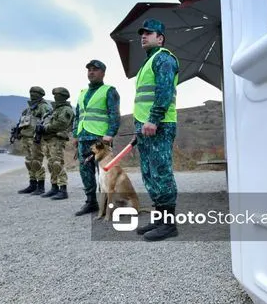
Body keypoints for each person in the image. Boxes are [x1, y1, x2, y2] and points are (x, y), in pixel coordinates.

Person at [133, 18, 180, 241]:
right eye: (142, 33)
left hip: (159, 125)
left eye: (149, 33)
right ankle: (160, 218)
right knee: (150, 174)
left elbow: (164, 91)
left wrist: (153, 119)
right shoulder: (148, 62)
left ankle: (170, 225)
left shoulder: (163, 59)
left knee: (161, 172)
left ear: (160, 38)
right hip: (146, 126)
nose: (143, 36)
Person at [72, 59, 121, 216]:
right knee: (85, 171)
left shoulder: (109, 91)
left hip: (101, 139)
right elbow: (77, 116)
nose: (91, 72)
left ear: (103, 73)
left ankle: (108, 204)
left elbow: (114, 114)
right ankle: (91, 202)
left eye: (95, 69)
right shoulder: (82, 93)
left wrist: (110, 133)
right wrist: (75, 134)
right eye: (89, 70)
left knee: (104, 174)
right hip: (83, 138)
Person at [34, 87, 75, 200]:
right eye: (54, 95)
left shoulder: (66, 109)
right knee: (51, 164)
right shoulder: (55, 110)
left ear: (62, 96)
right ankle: (54, 187)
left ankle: (63, 189)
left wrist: (45, 128)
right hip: (49, 140)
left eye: (57, 95)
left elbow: (61, 124)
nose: (55, 97)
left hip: (57, 139)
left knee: (57, 163)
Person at [16, 86, 52, 195]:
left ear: (40, 94)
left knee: (36, 161)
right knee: (29, 161)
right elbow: (22, 123)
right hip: (26, 138)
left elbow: (48, 120)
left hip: (36, 138)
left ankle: (40, 187)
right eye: (31, 92)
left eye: (35, 93)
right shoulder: (28, 109)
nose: (32, 95)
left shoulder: (44, 107)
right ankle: (32, 184)